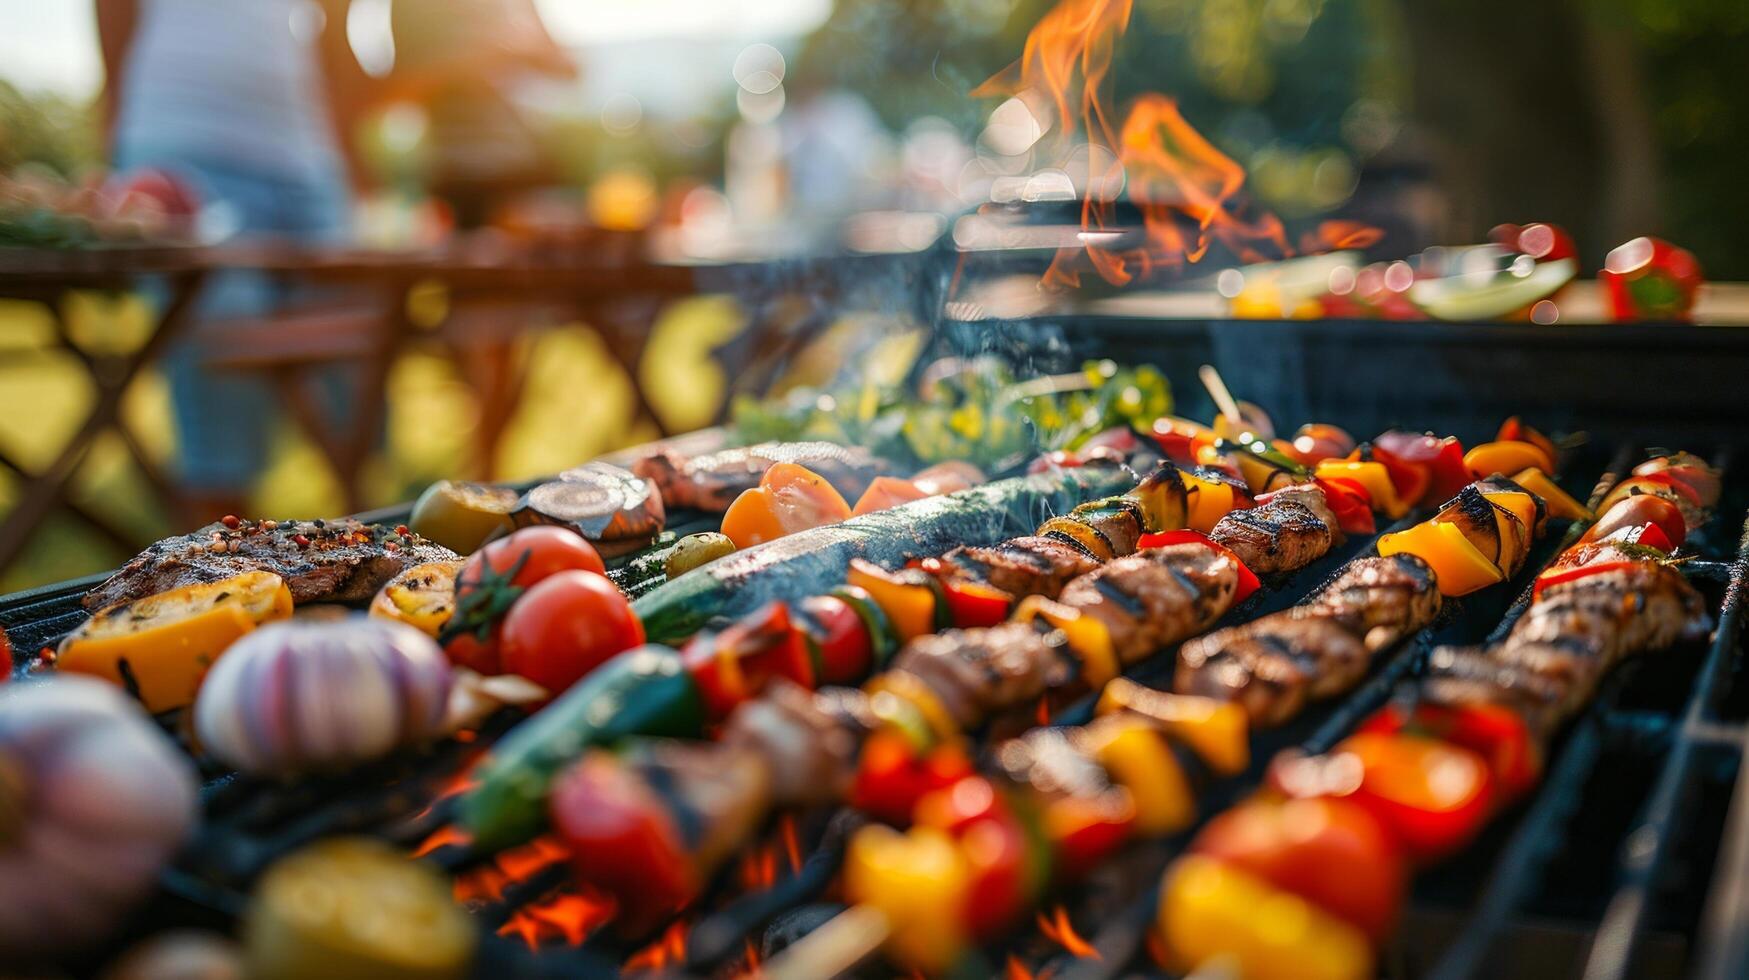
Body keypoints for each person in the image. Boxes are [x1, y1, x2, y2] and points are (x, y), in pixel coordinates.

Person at [96, 0, 371, 522]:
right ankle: (219, 570)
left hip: (307, 155)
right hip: (181, 138)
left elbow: (335, 24)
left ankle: (377, 557)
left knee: (356, 371)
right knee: (219, 372)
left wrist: (349, 155)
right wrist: (114, 127)